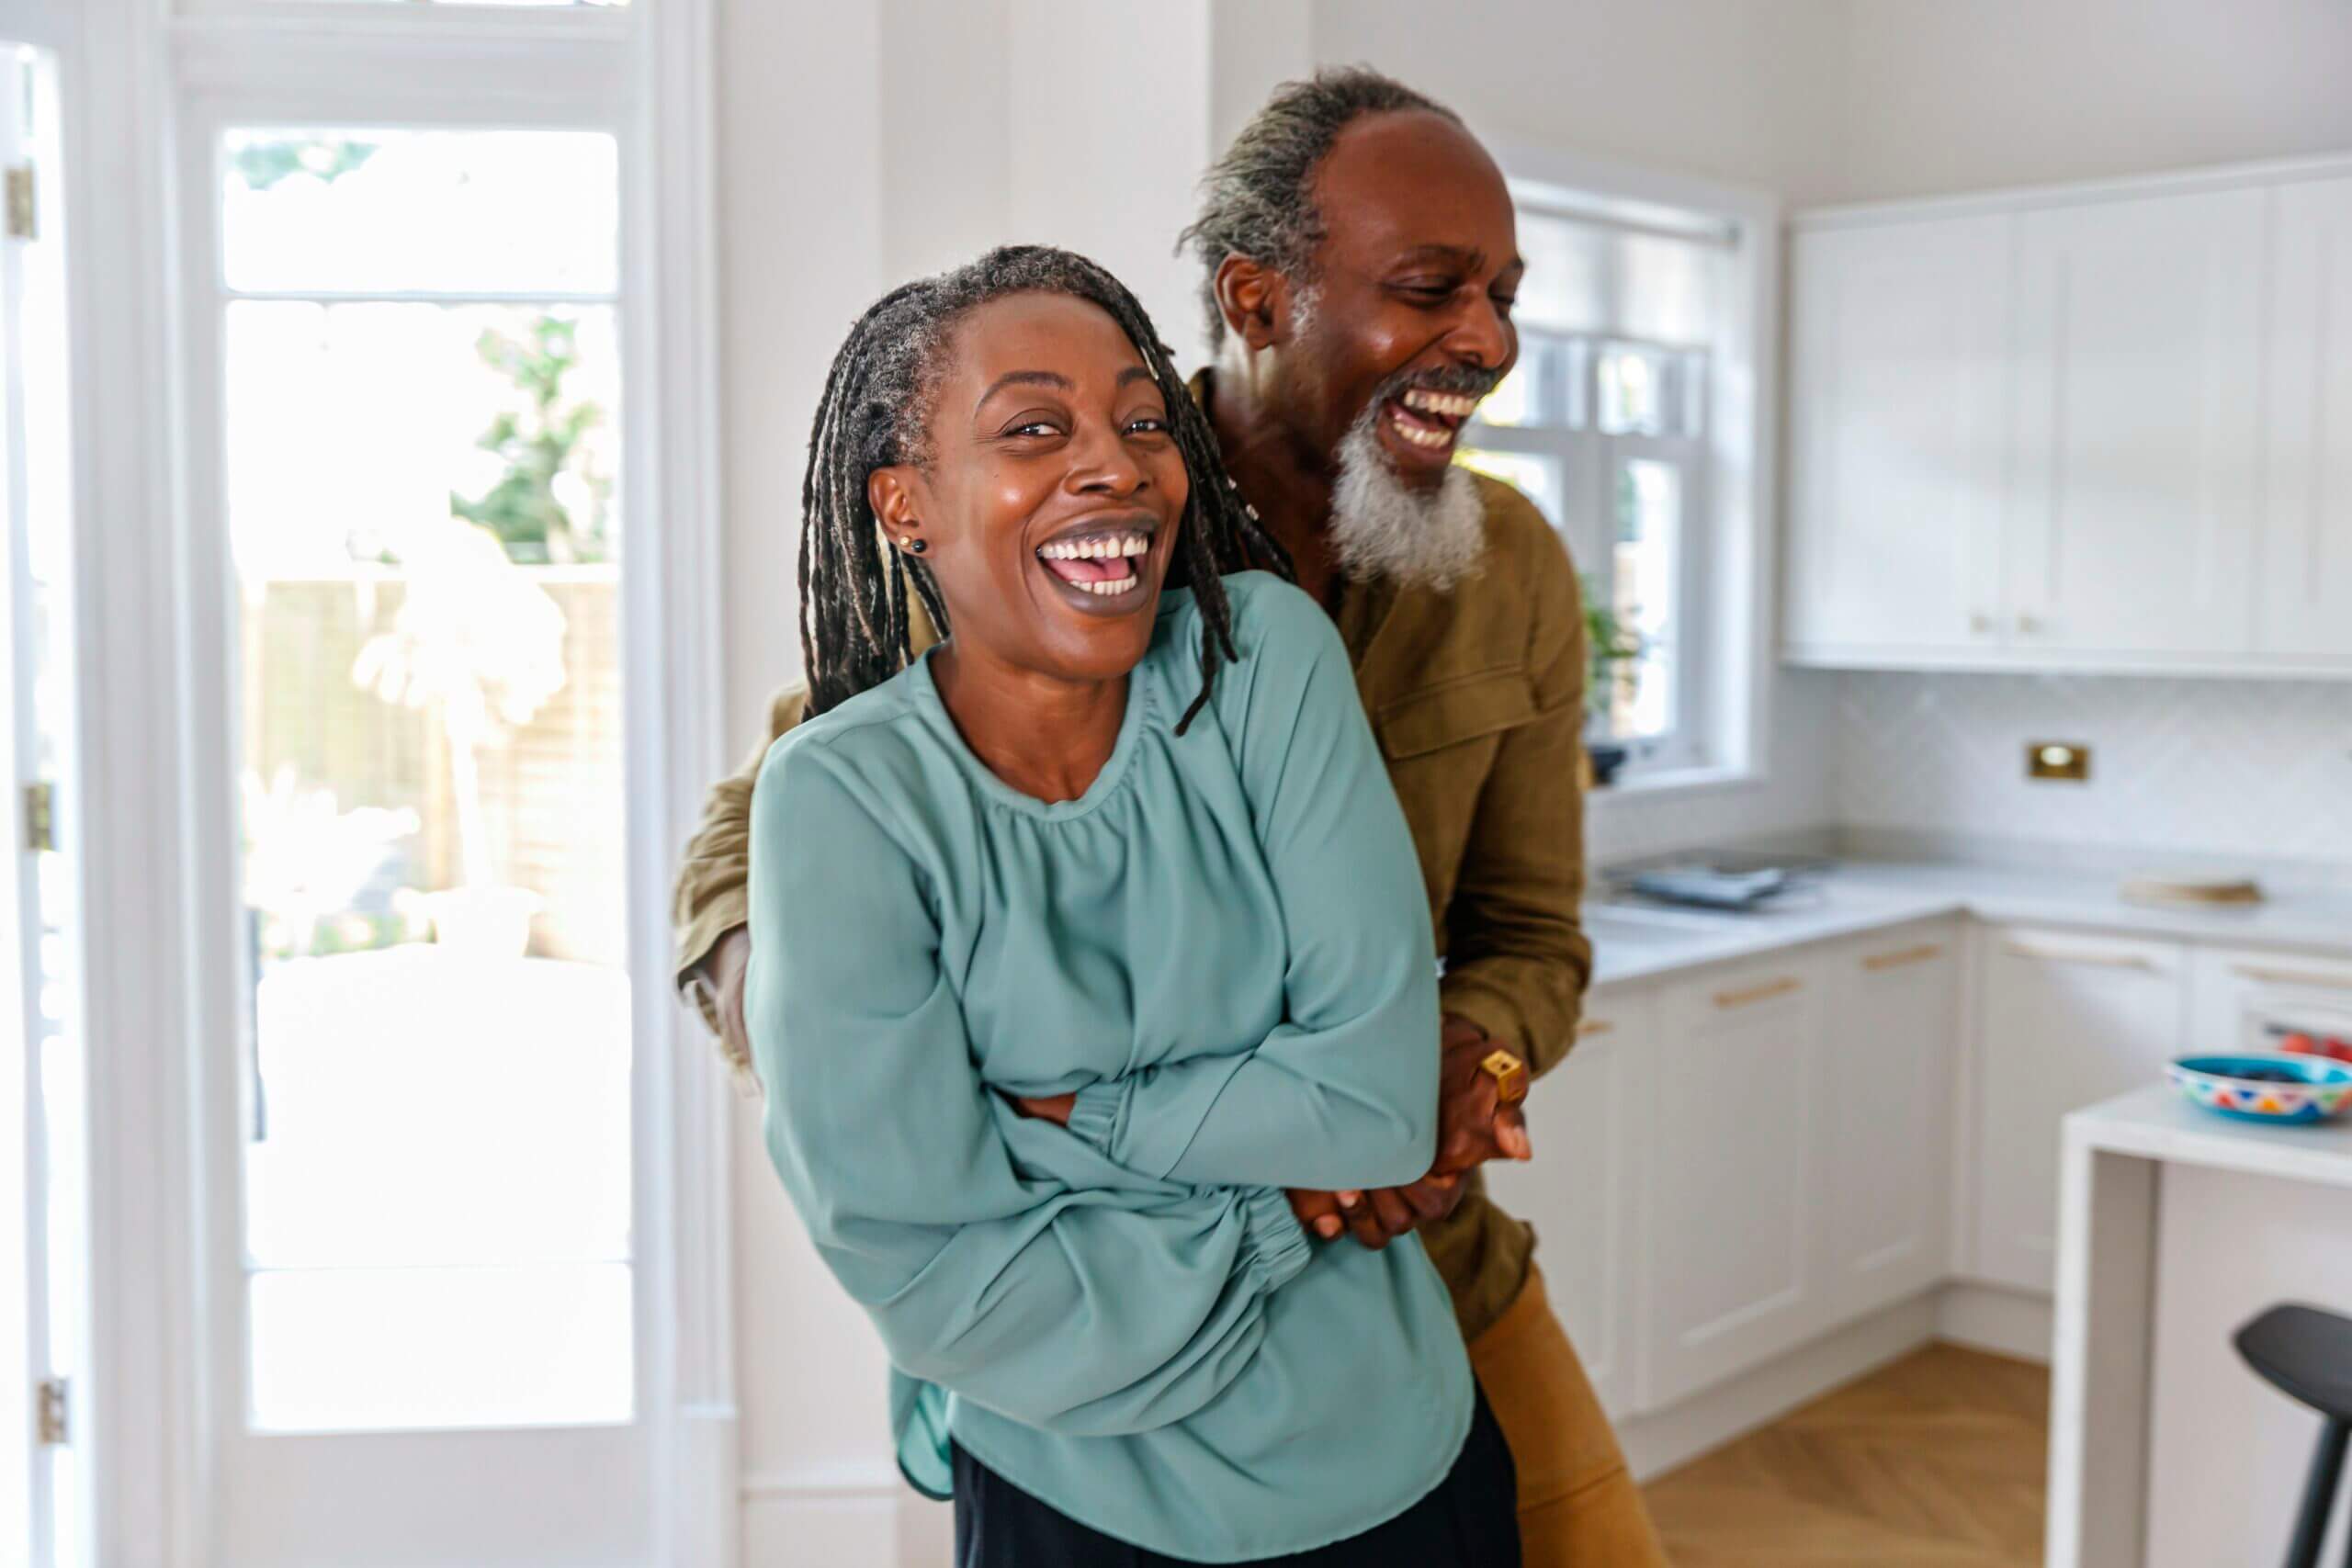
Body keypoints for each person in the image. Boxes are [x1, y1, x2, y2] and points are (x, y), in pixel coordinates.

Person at [678, 68, 1668, 1566]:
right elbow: (743, 865)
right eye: (1431, 289)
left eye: (1504, 297)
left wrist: (1464, 1064)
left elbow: (1532, 931)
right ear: (1259, 300)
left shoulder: (1509, 564)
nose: (1489, 342)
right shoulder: (1055, 534)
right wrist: (921, 1085)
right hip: (1090, 1319)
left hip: (1418, 1259)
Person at [749, 245, 1522, 1565]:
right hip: (1071, 1504)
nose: (1117, 465)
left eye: (1145, 419)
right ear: (903, 505)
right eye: (1035, 428)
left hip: (1393, 1458)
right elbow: (937, 1274)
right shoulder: (844, 799)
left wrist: (1076, 1126)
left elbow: (1378, 1101)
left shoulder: (1261, 658)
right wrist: (1278, 1206)